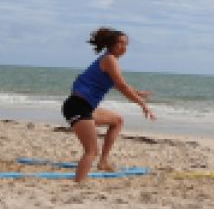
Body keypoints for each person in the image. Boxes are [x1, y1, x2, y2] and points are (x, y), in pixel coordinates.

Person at [62, 27, 155, 182]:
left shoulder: (109, 60)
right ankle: (78, 183)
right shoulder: (109, 59)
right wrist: (142, 104)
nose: (124, 47)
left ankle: (103, 162)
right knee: (91, 151)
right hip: (77, 106)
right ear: (111, 44)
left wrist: (137, 93)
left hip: (85, 106)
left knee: (117, 121)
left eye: (126, 44)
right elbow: (122, 86)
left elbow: (117, 84)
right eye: (120, 43)